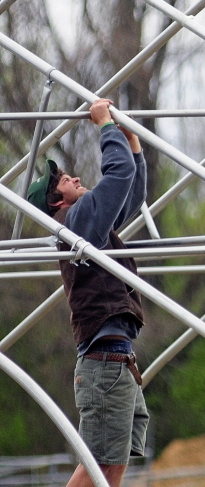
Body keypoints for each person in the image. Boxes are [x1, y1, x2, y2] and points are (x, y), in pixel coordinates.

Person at [26, 98, 148, 487]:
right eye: (65, 180)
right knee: (100, 465)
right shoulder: (76, 224)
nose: (75, 178)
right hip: (106, 363)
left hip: (115, 361)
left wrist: (131, 141)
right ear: (57, 202)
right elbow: (117, 177)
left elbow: (129, 193)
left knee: (113, 463)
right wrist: (105, 127)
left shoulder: (89, 225)